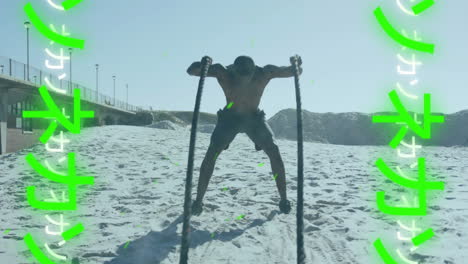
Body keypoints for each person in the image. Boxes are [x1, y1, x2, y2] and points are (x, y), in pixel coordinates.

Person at [187, 55, 302, 216]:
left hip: (254, 119)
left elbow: (294, 72)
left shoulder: (264, 73)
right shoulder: (224, 73)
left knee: (274, 152)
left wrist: (295, 65)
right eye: (239, 75)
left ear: (253, 71)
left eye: (247, 76)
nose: (243, 80)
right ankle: (198, 201)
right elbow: (192, 71)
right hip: (229, 119)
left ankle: (284, 199)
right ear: (234, 70)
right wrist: (203, 64)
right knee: (211, 153)